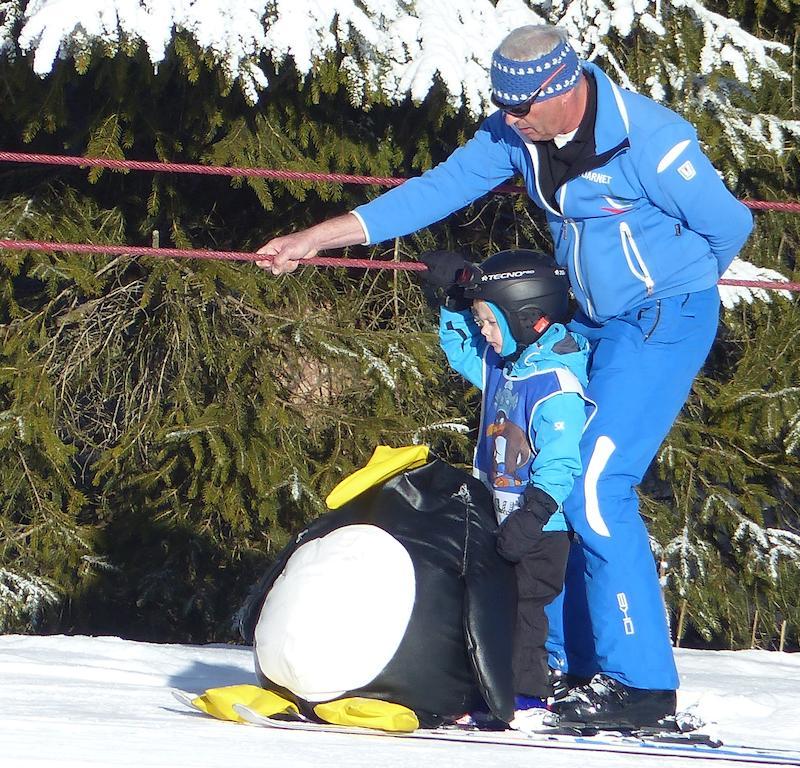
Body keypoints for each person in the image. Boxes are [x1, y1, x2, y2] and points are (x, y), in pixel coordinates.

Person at [257, 24, 754, 728]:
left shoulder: (652, 140)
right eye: (504, 108)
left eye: (520, 108)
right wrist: (315, 239)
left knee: (593, 482)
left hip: (662, 320)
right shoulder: (517, 135)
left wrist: (668, 281)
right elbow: (432, 192)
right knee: (534, 476)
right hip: (584, 322)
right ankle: (560, 663)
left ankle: (642, 688)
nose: (510, 120)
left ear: (563, 86)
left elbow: (728, 226)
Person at [417, 247, 592, 722]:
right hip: (498, 516)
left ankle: (527, 696)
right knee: (486, 608)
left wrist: (531, 519)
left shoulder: (555, 385)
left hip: (540, 530)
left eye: (490, 323)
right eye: (482, 322)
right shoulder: (505, 366)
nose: (485, 335)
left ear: (528, 319)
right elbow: (460, 352)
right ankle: (484, 690)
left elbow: (560, 464)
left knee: (523, 615)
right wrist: (455, 302)